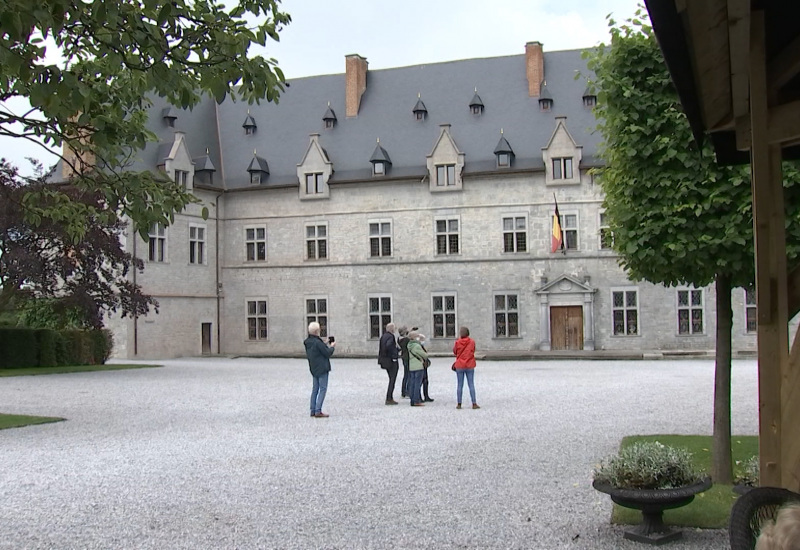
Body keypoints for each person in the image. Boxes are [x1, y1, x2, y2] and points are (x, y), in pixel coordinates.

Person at [304, 322, 335, 418]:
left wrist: (324, 343)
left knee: (315, 389)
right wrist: (332, 346)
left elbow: (317, 348)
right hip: (322, 368)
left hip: (314, 368)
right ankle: (318, 410)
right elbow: (327, 353)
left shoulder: (308, 342)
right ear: (317, 331)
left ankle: (313, 409)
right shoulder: (318, 343)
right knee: (322, 389)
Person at [453, 326, 479, 409]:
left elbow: (455, 351)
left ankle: (459, 403)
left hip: (460, 365)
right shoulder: (472, 342)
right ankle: (474, 403)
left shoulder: (457, 342)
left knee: (460, 385)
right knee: (471, 384)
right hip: (470, 364)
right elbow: (473, 350)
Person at [377, 322, 399, 405]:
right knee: (392, 380)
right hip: (390, 360)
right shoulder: (391, 336)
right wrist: (395, 354)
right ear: (392, 329)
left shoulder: (383, 336)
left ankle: (389, 397)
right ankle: (389, 398)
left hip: (384, 360)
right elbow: (389, 346)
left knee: (391, 379)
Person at [406, 331, 428, 407]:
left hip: (412, 366)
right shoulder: (416, 346)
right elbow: (424, 355)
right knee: (417, 384)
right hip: (418, 366)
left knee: (412, 383)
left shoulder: (409, 345)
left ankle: (412, 400)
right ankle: (416, 400)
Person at [397, 326, 411, 398]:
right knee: (408, 375)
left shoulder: (399, 339)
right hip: (407, 357)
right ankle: (407, 391)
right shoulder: (405, 340)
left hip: (404, 357)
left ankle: (404, 391)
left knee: (406, 374)